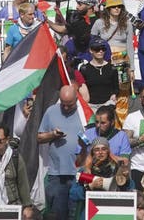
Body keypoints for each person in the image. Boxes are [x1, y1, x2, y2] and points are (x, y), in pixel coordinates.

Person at [38, 85, 89, 220]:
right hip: (57, 174)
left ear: (76, 99)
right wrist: (53, 134)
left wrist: (84, 144)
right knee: (58, 214)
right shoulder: (51, 111)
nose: (65, 108)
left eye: (69, 105)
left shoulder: (84, 113)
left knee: (76, 214)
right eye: (63, 104)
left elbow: (95, 138)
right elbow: (39, 137)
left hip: (78, 174)